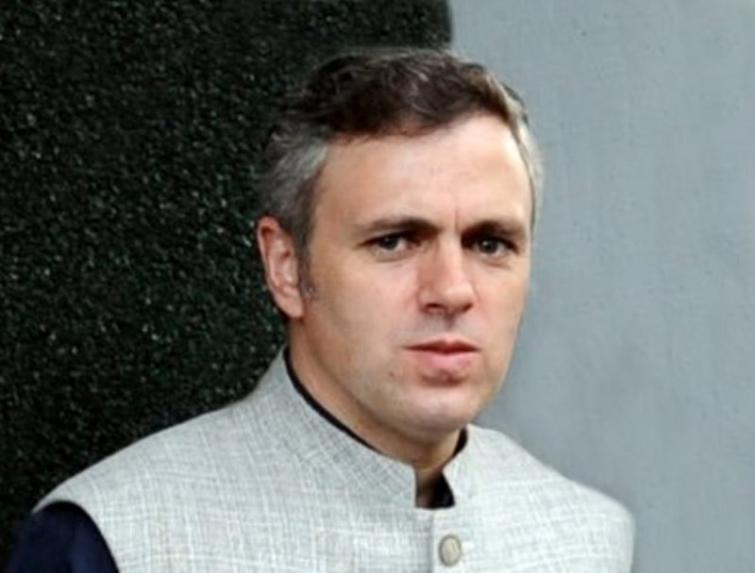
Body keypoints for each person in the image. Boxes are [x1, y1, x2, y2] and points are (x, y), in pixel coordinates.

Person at [8, 48, 634, 572]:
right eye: (395, 240)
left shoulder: (588, 541)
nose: (452, 290)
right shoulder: (112, 544)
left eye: (490, 244)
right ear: (286, 267)